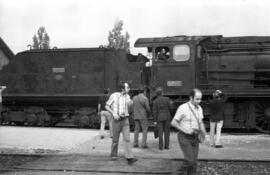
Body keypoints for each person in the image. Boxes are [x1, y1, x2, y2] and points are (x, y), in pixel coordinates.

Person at [171, 88, 207, 175]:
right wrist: (185, 130)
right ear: (191, 98)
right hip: (184, 137)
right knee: (190, 160)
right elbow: (173, 123)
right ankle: (176, 173)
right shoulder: (183, 108)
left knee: (194, 163)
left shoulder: (199, 108)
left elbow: (200, 122)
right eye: (197, 99)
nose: (199, 101)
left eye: (200, 99)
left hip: (195, 137)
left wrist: (204, 133)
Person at [105, 82, 138, 165]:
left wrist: (131, 104)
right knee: (115, 140)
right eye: (128, 87)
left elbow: (129, 106)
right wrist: (113, 113)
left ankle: (129, 157)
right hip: (116, 120)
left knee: (127, 139)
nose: (129, 89)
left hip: (125, 120)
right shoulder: (114, 95)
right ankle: (113, 155)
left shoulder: (127, 96)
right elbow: (106, 106)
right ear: (123, 89)